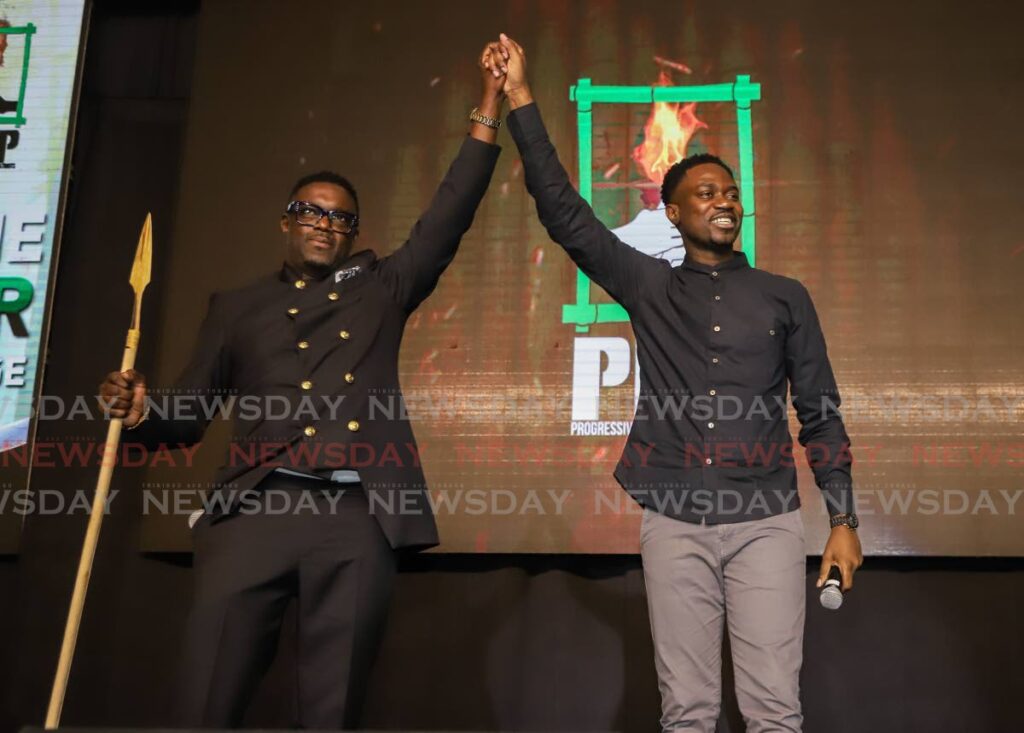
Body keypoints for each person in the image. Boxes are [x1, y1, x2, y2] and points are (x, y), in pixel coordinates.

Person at [98, 43, 507, 729]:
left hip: (354, 516)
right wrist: (143, 410)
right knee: (207, 695)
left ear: (353, 233)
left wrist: (489, 105)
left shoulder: (383, 287)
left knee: (332, 705)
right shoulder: (237, 306)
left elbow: (449, 213)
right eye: (311, 211)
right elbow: (190, 411)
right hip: (255, 510)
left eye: (340, 217)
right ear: (286, 221)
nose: (325, 223)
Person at [488, 34, 862, 732]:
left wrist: (843, 519)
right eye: (706, 193)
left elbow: (820, 412)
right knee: (687, 712)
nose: (724, 201)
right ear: (674, 213)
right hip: (673, 520)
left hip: (767, 523)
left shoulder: (785, 297)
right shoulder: (647, 284)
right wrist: (520, 98)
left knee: (776, 711)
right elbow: (564, 212)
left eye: (731, 192)